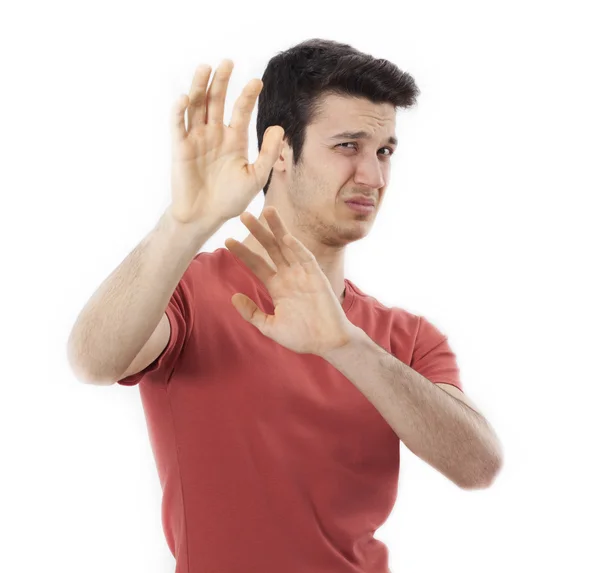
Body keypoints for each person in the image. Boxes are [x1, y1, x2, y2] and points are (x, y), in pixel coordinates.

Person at [67, 39, 503, 573]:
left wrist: (347, 345)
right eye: (348, 146)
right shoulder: (189, 293)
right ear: (279, 154)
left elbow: (479, 466)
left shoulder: (405, 338)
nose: (374, 177)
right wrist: (183, 225)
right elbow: (92, 360)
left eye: (385, 151)